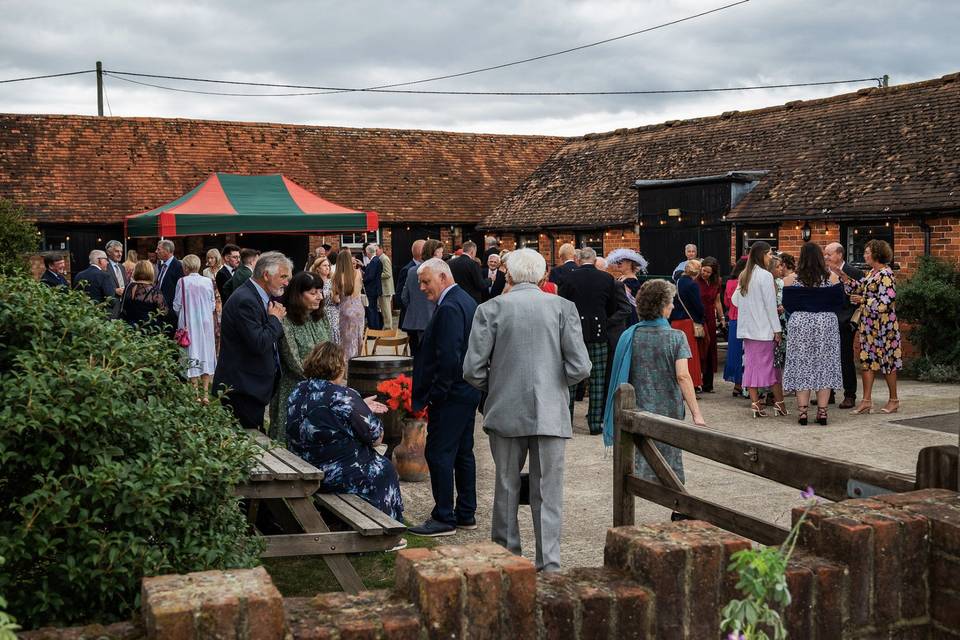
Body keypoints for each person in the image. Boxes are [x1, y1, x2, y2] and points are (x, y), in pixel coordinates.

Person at [463, 249, 591, 571]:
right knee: (548, 490)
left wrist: (497, 385)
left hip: (505, 408)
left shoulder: (490, 309)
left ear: (509, 276)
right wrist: (554, 383)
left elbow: (472, 369)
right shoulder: (563, 308)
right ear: (543, 276)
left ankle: (507, 559)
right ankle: (549, 563)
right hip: (551, 410)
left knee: (506, 486)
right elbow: (580, 366)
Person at [602, 279, 706, 521]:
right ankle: (679, 507)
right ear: (662, 307)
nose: (672, 307)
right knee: (671, 458)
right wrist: (697, 413)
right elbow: (683, 376)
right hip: (667, 409)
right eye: (670, 303)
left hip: (636, 409)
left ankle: (634, 500)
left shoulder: (630, 335)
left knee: (636, 458)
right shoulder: (676, 337)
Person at [287, 342, 403, 521]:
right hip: (333, 474)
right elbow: (376, 437)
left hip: (304, 464)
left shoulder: (298, 389)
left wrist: (361, 406)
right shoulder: (342, 396)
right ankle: (386, 530)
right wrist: (361, 407)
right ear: (339, 368)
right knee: (384, 469)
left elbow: (327, 417)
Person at [409, 258, 481, 537]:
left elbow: (450, 357)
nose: (423, 288)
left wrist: (437, 394)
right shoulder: (465, 300)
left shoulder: (450, 306)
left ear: (443, 276)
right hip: (466, 390)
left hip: (452, 393)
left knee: (438, 452)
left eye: (426, 282)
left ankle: (443, 517)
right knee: (463, 452)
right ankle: (465, 513)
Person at [213, 251, 291, 429]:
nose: (286, 282)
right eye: (283, 277)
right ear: (266, 275)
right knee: (249, 440)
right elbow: (259, 343)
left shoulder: (258, 296)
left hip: (251, 386)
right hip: (243, 388)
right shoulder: (246, 300)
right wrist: (275, 319)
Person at [832, 239, 902, 415]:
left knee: (888, 362)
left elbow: (886, 303)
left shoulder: (886, 274)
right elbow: (859, 287)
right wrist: (844, 277)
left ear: (876, 254)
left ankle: (894, 400)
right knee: (867, 362)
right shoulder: (871, 273)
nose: (864, 255)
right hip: (869, 325)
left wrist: (862, 300)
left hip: (885, 327)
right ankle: (866, 401)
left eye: (867, 252)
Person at [558, 247, 620, 435]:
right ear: (594, 260)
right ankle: (594, 424)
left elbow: (561, 305)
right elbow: (612, 307)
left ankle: (566, 423)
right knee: (598, 381)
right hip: (598, 334)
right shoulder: (607, 279)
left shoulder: (568, 277)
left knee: (571, 379)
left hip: (574, 334)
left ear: (578, 260)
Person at [782, 242, 843, 425]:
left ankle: (802, 412)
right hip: (825, 323)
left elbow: (788, 305)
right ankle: (823, 411)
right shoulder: (832, 278)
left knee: (802, 365)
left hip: (801, 323)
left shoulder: (791, 279)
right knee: (824, 365)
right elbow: (839, 303)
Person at [270, 272, 332, 442]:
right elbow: (293, 361)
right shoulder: (286, 321)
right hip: (295, 391)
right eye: (313, 293)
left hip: (323, 389)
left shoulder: (321, 317)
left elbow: (331, 351)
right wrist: (320, 383)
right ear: (297, 295)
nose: (319, 297)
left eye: (320, 291)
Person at [732, 241, 787, 418]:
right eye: (769, 253)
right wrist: (777, 330)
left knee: (752, 367)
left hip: (748, 330)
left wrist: (749, 304)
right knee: (772, 368)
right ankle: (779, 404)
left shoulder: (744, 275)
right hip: (764, 329)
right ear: (762, 254)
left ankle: (756, 404)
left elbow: (735, 301)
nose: (771, 257)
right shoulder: (765, 276)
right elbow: (771, 306)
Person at [824, 242, 865, 408]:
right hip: (826, 320)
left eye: (829, 254)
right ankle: (829, 393)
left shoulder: (854, 272)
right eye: (825, 254)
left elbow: (860, 296)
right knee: (826, 358)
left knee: (845, 358)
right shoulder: (824, 272)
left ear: (839, 255)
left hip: (845, 321)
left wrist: (850, 321)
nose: (826, 257)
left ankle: (850, 395)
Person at [173, 255, 218, 403]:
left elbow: (177, 305)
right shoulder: (208, 281)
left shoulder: (182, 282)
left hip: (189, 323)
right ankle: (205, 393)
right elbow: (212, 305)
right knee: (205, 352)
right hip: (206, 323)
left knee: (192, 352)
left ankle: (195, 393)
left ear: (185, 267)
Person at [669, 260, 704, 390]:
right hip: (687, 322)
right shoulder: (692, 285)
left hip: (675, 322)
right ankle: (692, 383)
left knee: (676, 354)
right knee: (689, 354)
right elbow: (698, 306)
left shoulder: (677, 282)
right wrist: (701, 318)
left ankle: (677, 383)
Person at [401, 240, 435, 357]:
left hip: (413, 321)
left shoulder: (411, 271)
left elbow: (404, 297)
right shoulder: (436, 270)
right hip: (431, 319)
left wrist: (414, 309)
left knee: (415, 356)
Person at [697, 257, 725, 393]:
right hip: (698, 316)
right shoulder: (695, 281)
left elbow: (717, 301)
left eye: (708, 272)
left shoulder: (717, 282)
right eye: (704, 270)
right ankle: (697, 381)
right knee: (699, 348)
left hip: (711, 317)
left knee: (710, 349)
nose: (705, 274)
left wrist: (722, 318)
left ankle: (708, 383)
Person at [333, 249, 365, 361]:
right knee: (358, 339)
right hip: (358, 308)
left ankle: (346, 369)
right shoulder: (358, 273)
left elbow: (335, 298)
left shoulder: (336, 276)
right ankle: (357, 364)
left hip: (345, 308)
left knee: (346, 342)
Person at [118, 260, 167, 330]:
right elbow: (164, 313)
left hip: (129, 329)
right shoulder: (154, 291)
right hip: (147, 331)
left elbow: (124, 307)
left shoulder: (128, 286)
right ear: (150, 272)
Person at [723, 258, 748, 396]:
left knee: (735, 351)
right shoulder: (746, 282)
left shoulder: (730, 283)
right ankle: (745, 384)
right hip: (745, 319)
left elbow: (727, 302)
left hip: (733, 319)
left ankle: (737, 385)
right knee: (746, 352)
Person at [310, 258, 341, 345]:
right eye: (324, 265)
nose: (327, 268)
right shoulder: (313, 283)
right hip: (318, 313)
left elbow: (338, 300)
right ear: (318, 268)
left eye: (328, 265)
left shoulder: (333, 282)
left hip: (332, 312)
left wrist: (336, 294)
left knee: (334, 338)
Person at [396, 239, 424, 322]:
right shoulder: (407, 270)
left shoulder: (427, 267)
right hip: (411, 317)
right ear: (421, 252)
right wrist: (412, 309)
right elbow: (400, 296)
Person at [154, 239, 184, 313]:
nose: (156, 251)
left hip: (171, 311)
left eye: (158, 249)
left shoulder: (178, 266)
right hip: (160, 309)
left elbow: (180, 290)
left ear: (167, 251)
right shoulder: (162, 266)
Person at [362, 243, 384, 330]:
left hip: (372, 289)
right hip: (374, 289)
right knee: (374, 309)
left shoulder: (374, 261)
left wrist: (362, 280)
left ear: (368, 253)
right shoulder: (376, 260)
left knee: (372, 310)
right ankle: (376, 328)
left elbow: (371, 276)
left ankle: (374, 329)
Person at [377, 245, 395, 329]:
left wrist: (376, 274)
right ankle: (387, 327)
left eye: (376, 250)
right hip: (383, 288)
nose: (375, 252)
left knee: (386, 310)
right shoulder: (381, 258)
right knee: (384, 310)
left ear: (381, 249)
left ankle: (388, 327)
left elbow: (388, 273)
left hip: (386, 288)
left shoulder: (384, 259)